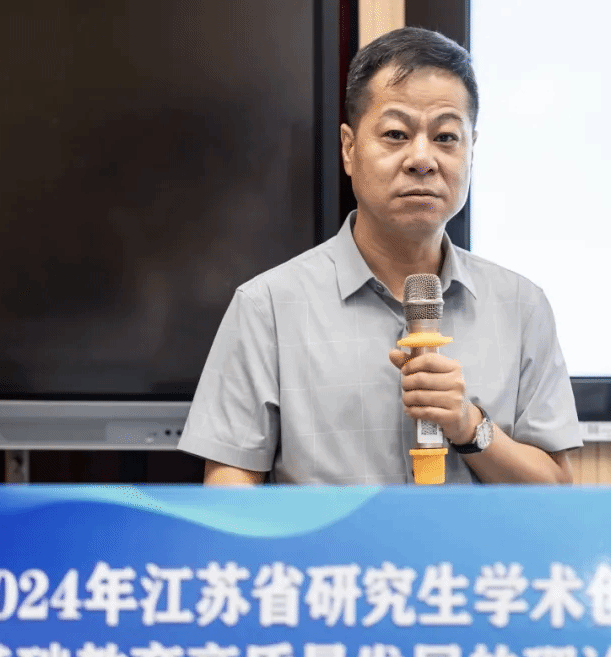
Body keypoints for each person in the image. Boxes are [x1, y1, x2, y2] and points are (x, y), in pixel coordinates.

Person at [178, 27, 582, 485]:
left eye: (446, 137)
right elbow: (230, 494)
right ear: (349, 149)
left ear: (472, 151)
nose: (422, 159)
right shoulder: (267, 307)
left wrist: (469, 425)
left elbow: (555, 489)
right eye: (396, 134)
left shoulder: (523, 306)